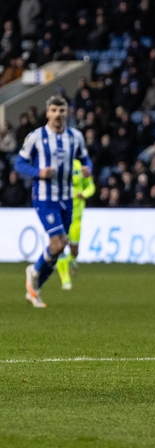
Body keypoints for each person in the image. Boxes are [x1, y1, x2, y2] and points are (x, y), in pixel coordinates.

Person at [14, 96, 92, 307]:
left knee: (57, 249)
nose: (58, 114)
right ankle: (34, 271)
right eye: (54, 110)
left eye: (61, 110)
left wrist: (88, 170)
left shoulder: (75, 137)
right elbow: (19, 164)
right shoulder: (36, 137)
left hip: (67, 198)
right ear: (47, 113)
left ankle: (35, 288)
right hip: (44, 197)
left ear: (66, 112)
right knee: (58, 243)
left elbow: (86, 159)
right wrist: (38, 172)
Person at [55, 158, 96, 289]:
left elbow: (91, 186)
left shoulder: (79, 166)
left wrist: (84, 194)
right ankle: (65, 280)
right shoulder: (56, 166)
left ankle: (71, 260)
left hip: (76, 218)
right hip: (60, 214)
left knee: (74, 251)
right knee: (60, 247)